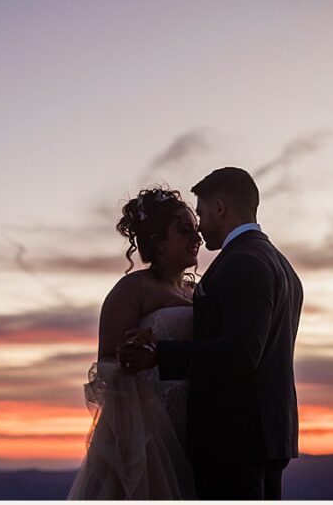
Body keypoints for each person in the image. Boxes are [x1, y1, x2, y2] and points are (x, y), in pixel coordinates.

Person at [118, 167, 305, 500]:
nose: (201, 229)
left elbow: (241, 353)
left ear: (220, 208)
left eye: (201, 214)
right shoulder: (279, 263)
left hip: (233, 438)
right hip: (265, 435)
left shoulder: (243, 261)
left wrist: (160, 355)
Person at [67, 187, 200, 499]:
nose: (197, 237)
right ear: (157, 241)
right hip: (150, 431)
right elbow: (107, 362)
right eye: (184, 230)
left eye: (195, 228)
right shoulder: (132, 289)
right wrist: (131, 357)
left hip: (194, 423)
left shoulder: (196, 292)